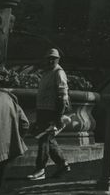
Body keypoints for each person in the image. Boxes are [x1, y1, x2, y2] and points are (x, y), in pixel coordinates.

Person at [26, 48, 70, 180]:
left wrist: (58, 116)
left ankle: (40, 169)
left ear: (58, 59)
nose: (51, 60)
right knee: (47, 139)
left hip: (52, 112)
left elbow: (63, 97)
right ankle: (62, 163)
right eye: (49, 58)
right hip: (44, 111)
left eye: (54, 58)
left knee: (43, 139)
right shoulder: (47, 72)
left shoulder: (58, 73)